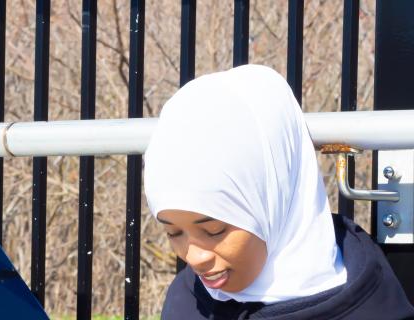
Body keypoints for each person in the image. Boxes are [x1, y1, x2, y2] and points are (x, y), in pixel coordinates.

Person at [143, 65, 414, 319]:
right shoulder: (188, 298)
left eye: (214, 230)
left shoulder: (371, 308)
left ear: (274, 198)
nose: (195, 258)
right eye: (173, 233)